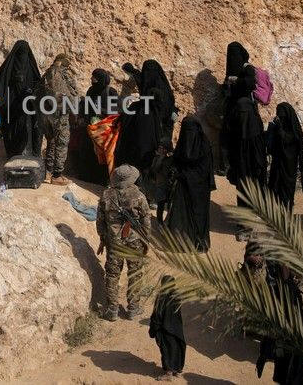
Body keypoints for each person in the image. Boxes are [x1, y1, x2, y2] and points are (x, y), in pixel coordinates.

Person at [96, 164, 151, 321]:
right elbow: (146, 220)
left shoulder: (106, 195)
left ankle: (112, 309)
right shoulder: (139, 196)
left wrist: (103, 238)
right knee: (135, 273)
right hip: (134, 241)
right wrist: (146, 240)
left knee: (112, 274)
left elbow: (100, 221)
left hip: (114, 242)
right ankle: (133, 308)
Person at [165, 117, 215, 252]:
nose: (188, 134)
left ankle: (199, 242)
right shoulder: (183, 143)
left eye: (190, 131)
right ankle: (181, 242)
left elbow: (204, 170)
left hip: (200, 188)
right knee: (181, 213)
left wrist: (184, 175)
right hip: (183, 185)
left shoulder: (204, 145)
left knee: (199, 214)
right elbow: (177, 160)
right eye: (186, 131)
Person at [0, 40, 41, 158]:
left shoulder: (9, 68)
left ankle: (21, 153)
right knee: (13, 127)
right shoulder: (23, 68)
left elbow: (38, 86)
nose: (22, 57)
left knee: (23, 128)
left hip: (23, 106)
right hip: (12, 106)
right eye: (20, 54)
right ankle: (13, 153)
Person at [37, 53, 78, 185]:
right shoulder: (60, 74)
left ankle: (48, 172)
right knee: (61, 142)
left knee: (51, 141)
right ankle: (57, 175)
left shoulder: (46, 74)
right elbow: (67, 95)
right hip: (59, 114)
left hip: (45, 114)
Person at [123, 59, 177, 149]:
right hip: (163, 131)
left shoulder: (150, 89)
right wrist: (132, 71)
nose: (146, 75)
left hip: (153, 130)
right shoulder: (165, 88)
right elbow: (141, 79)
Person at [267, 103, 303, 211]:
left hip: (288, 168)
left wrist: (279, 128)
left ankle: (286, 213)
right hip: (277, 166)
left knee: (287, 192)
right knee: (274, 189)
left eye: (282, 117)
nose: (281, 119)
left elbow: (286, 139)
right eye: (279, 116)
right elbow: (272, 147)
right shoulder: (278, 127)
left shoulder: (294, 131)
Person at [148, 275, 185, 381]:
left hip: (165, 329)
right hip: (177, 328)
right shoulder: (176, 295)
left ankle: (169, 373)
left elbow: (157, 314)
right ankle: (177, 370)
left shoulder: (162, 296)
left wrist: (153, 329)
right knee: (177, 348)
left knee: (166, 350)